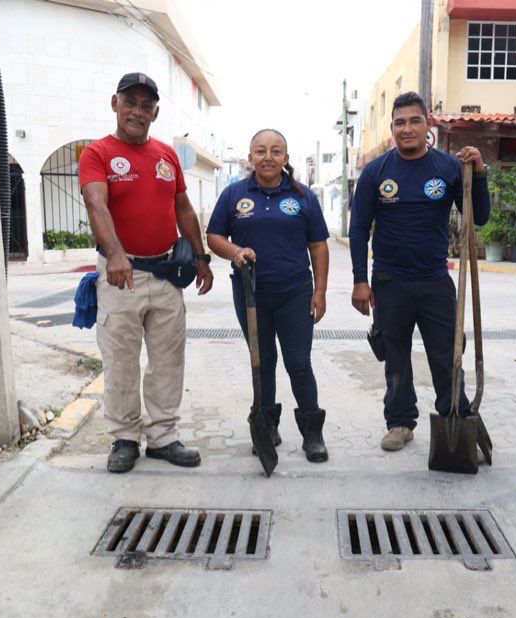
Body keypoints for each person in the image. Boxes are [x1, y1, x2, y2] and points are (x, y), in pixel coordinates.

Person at [79, 72, 214, 474]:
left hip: (167, 273)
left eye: (145, 105)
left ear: (155, 112)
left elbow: (184, 208)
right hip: (122, 274)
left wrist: (202, 257)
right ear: (115, 104)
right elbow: (96, 205)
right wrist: (116, 254)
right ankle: (124, 438)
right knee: (121, 360)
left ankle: (163, 437)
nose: (137, 111)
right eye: (130, 102)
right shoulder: (98, 154)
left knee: (168, 359)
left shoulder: (166, 155)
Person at [349, 91, 491, 452]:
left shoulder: (447, 168)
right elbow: (358, 228)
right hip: (389, 282)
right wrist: (360, 281)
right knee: (395, 357)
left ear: (428, 123)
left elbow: (479, 217)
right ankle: (400, 422)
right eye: (400, 122)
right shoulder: (376, 173)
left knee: (447, 355)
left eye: (414, 120)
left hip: (434, 281)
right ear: (392, 128)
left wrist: (480, 175)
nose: (407, 128)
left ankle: (454, 417)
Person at [206, 129, 331, 462]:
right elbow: (214, 235)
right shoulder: (234, 194)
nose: (268, 157)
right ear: (250, 158)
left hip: (295, 292)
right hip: (250, 293)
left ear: (286, 159)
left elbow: (318, 245)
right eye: (260, 151)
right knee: (262, 362)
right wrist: (235, 251)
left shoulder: (304, 197)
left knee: (299, 363)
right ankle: (267, 428)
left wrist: (320, 291)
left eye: (276, 151)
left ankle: (312, 432)